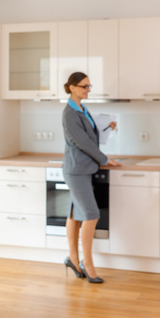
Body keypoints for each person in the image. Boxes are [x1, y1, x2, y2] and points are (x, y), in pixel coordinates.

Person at [62, 72, 120, 284]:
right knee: (91, 214)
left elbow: (91, 138)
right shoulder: (70, 113)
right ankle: (88, 262)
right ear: (71, 87)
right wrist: (106, 159)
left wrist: (106, 128)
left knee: (75, 214)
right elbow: (83, 143)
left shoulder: (82, 109)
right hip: (76, 170)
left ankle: (73, 259)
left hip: (83, 169)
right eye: (84, 86)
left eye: (89, 86)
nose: (88, 89)